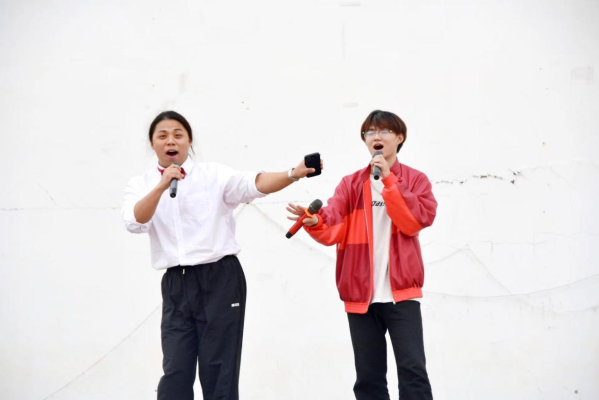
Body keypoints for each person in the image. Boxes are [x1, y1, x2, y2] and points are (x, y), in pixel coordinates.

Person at [121, 110, 322, 400]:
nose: (170, 141)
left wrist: (293, 173)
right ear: (152, 144)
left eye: (178, 134)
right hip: (177, 283)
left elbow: (254, 184)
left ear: (189, 140)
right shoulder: (140, 184)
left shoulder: (213, 175)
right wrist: (162, 185)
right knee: (175, 371)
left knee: (219, 371)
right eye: (162, 136)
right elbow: (134, 221)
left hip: (220, 279)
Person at [287, 110, 437, 400]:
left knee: (413, 374)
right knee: (368, 380)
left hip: (401, 294)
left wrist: (390, 181)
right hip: (360, 296)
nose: (376, 137)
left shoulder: (416, 180)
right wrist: (316, 222)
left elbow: (415, 221)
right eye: (370, 132)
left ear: (400, 138)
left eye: (384, 131)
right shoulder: (351, 184)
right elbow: (333, 222)